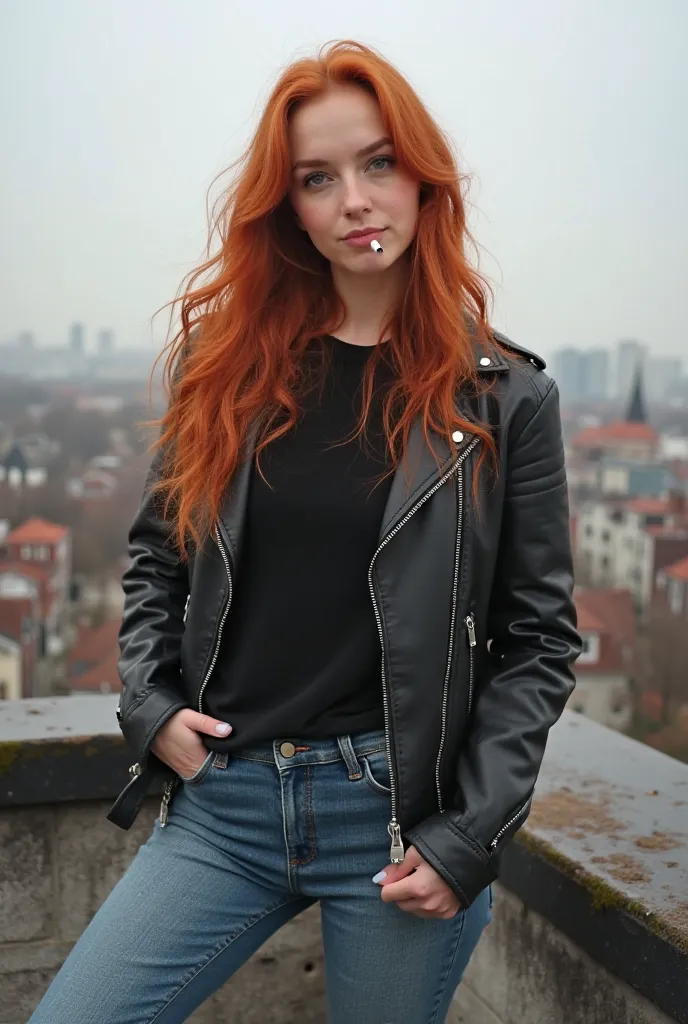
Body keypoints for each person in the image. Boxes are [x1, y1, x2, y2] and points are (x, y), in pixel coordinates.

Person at [30, 38, 580, 1024]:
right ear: (288, 209)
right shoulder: (229, 365)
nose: (355, 201)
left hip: (396, 820)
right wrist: (150, 708)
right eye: (317, 180)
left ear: (422, 177)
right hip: (224, 803)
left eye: (377, 163)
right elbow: (162, 553)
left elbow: (537, 643)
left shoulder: (506, 399)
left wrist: (468, 836)